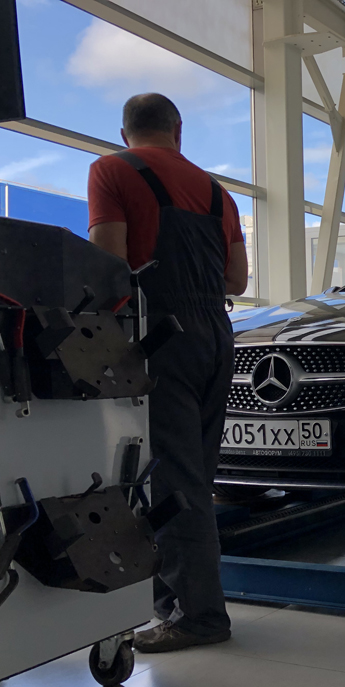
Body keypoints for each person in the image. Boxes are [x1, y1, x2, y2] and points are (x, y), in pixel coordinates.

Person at [88, 93, 248, 653]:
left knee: (171, 479)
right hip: (216, 336)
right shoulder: (218, 192)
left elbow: (108, 265)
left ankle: (198, 615)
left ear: (125, 131)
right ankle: (179, 603)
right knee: (195, 477)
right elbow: (238, 280)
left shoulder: (111, 170)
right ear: (178, 131)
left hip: (159, 338)